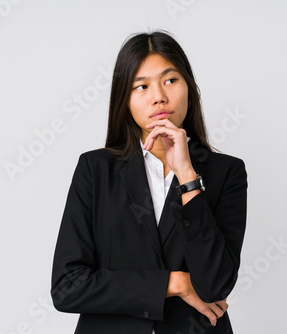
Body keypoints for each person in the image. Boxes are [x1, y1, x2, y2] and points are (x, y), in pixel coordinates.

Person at [50, 30, 247, 334]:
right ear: (124, 100)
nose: (159, 97)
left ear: (190, 91)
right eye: (141, 86)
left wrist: (187, 176)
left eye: (170, 80)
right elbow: (67, 287)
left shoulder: (226, 173)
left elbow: (216, 284)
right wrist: (175, 282)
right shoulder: (95, 169)